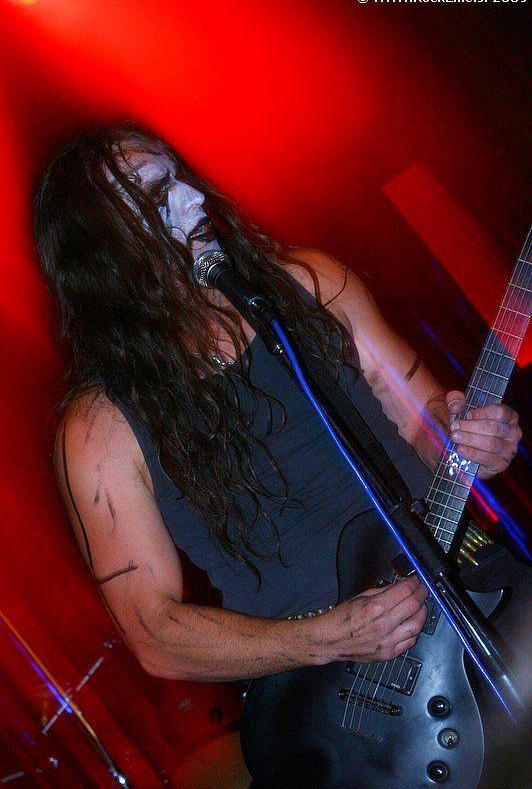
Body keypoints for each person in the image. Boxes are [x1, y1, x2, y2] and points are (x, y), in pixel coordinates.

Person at [34, 123, 527, 783]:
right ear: (103, 252)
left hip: (479, 589)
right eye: (154, 197)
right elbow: (153, 631)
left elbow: (423, 417)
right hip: (342, 710)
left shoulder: (311, 281)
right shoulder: (100, 428)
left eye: (179, 176)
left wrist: (468, 439)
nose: (192, 198)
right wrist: (326, 637)